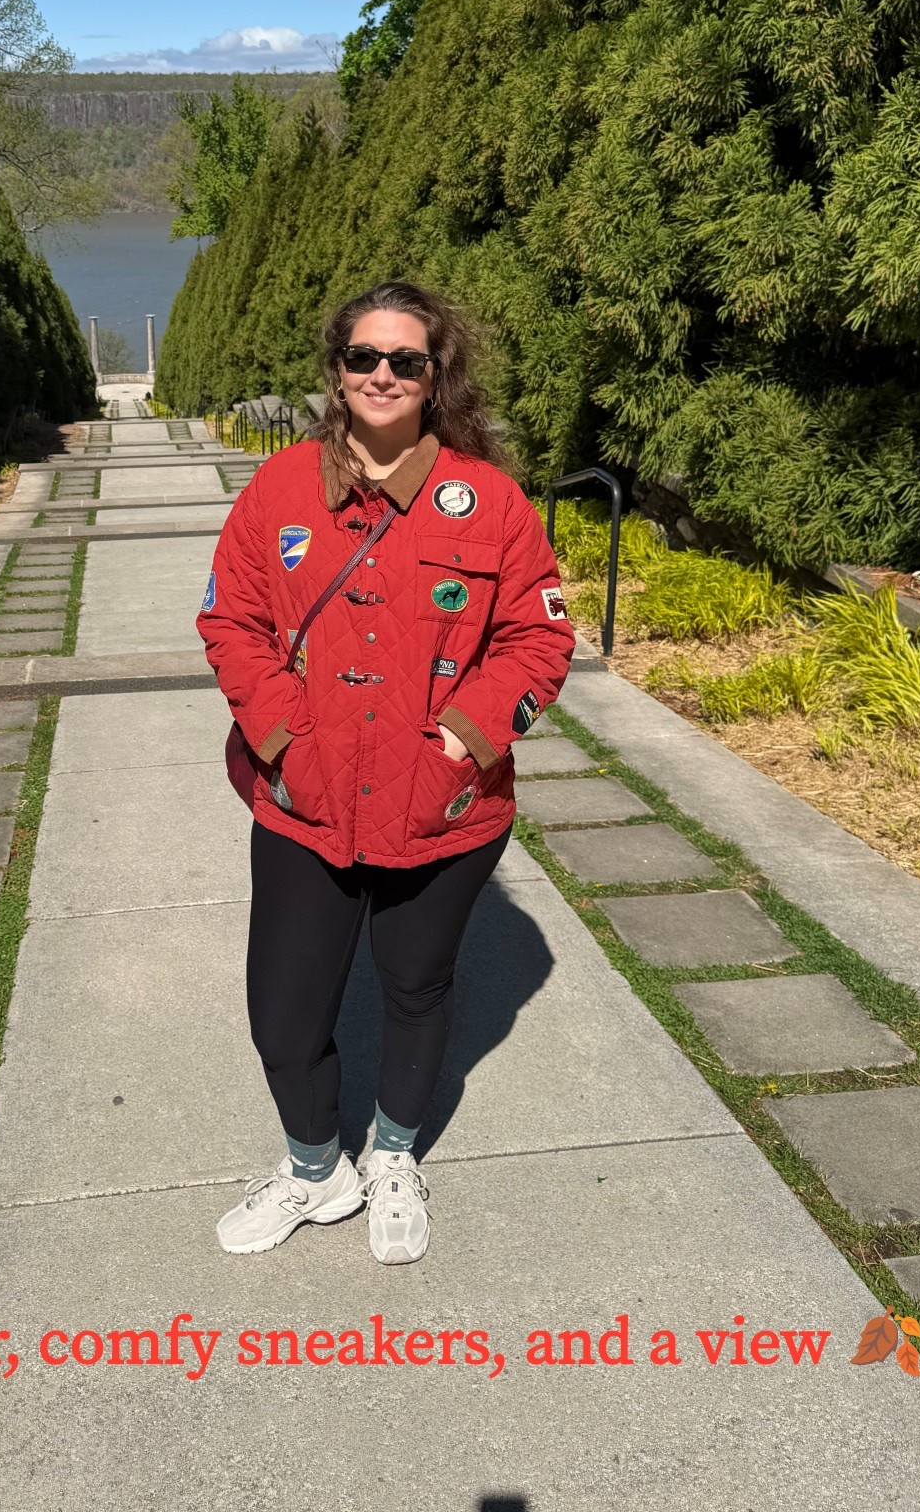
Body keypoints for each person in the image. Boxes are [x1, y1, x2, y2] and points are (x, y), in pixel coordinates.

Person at [197, 280, 576, 1264]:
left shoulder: (488, 502)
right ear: (336, 370)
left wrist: (463, 740)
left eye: (405, 360)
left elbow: (539, 638)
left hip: (440, 809)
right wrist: (281, 737)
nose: (381, 374)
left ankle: (396, 1153)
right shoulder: (277, 490)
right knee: (283, 1008)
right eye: (364, 355)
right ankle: (316, 1166)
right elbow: (229, 621)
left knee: (416, 985)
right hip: (302, 801)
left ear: (433, 376)